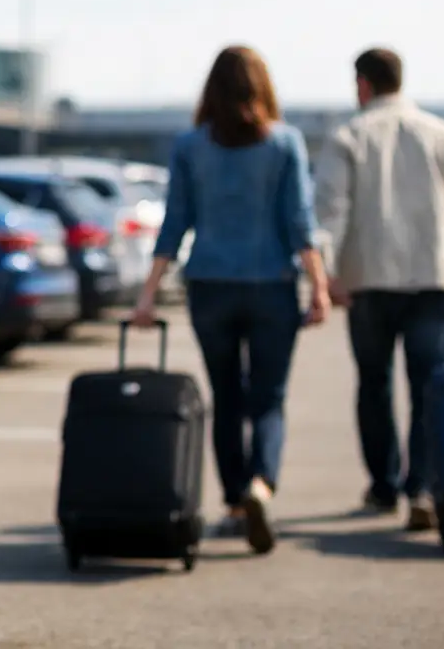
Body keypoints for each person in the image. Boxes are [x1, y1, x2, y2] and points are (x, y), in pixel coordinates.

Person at [132, 45, 331, 556]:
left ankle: (236, 504)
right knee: (269, 397)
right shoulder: (285, 144)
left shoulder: (190, 146)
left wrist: (148, 295)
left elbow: (175, 223)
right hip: (272, 288)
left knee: (226, 397)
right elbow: (300, 224)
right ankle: (262, 484)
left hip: (211, 287)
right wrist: (320, 287)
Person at [313, 47, 444, 533]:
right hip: (435, 280)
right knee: (428, 387)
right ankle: (422, 487)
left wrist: (325, 276)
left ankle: (382, 484)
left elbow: (331, 214)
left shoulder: (347, 137)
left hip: (369, 281)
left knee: (373, 386)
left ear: (363, 85)